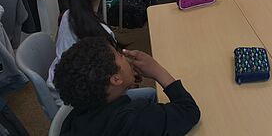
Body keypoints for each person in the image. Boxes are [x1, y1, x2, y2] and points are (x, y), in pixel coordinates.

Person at [46, 0, 154, 105]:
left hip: (60, 88)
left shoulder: (67, 16)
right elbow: (107, 79)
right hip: (77, 101)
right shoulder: (99, 35)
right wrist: (128, 76)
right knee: (151, 97)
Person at [54, 36, 201, 136]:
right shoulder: (133, 119)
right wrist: (157, 71)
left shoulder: (74, 118)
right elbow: (189, 111)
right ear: (116, 79)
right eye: (119, 56)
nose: (124, 57)